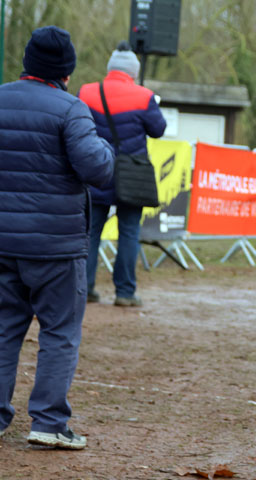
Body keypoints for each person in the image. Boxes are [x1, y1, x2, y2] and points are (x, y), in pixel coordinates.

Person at [0, 26, 115, 449]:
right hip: (55, 247)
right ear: (66, 72)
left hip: (2, 243)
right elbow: (97, 169)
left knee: (2, 329)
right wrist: (107, 149)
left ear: (27, 63)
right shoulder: (71, 110)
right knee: (60, 332)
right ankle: (48, 423)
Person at [78, 41, 167, 307]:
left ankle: (85, 289)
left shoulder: (86, 91)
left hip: (97, 170)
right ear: (133, 71)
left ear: (110, 68)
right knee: (128, 232)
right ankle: (125, 293)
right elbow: (158, 129)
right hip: (132, 175)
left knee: (91, 232)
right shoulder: (144, 96)